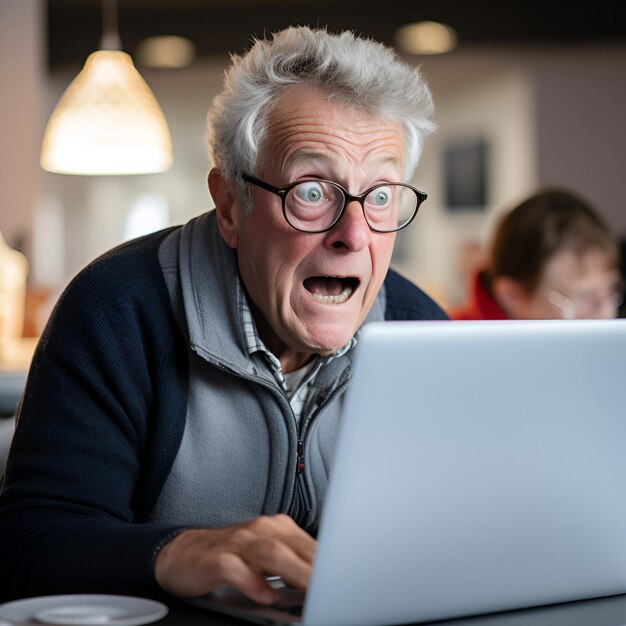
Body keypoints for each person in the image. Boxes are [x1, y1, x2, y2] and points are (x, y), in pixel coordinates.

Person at [0, 26, 447, 604]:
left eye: (381, 195)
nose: (355, 234)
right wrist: (173, 552)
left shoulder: (421, 330)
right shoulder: (117, 310)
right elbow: (28, 546)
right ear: (231, 205)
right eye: (312, 190)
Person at [450, 187, 622, 320]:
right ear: (512, 296)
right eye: (581, 297)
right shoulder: (448, 350)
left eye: (610, 291)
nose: (606, 313)